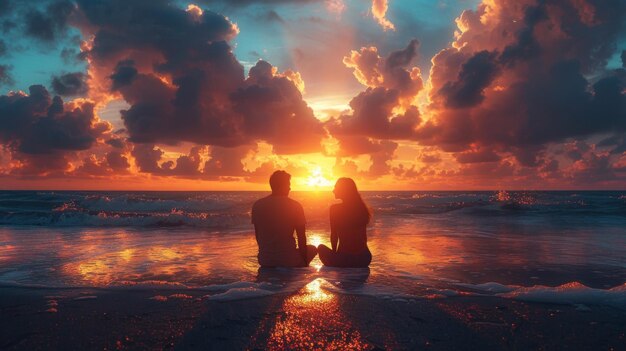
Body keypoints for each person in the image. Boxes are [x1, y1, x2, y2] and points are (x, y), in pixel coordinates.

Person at [251, 170, 317, 267]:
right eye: (288, 185)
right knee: (312, 249)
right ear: (283, 186)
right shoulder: (295, 205)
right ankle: (299, 266)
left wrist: (267, 254)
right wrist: (304, 262)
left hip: (265, 261)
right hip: (288, 260)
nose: (290, 188)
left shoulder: (258, 205)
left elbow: (258, 236)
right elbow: (301, 238)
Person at [318, 178, 372, 267]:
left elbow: (334, 235)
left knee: (320, 248)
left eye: (336, 188)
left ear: (343, 190)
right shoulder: (361, 208)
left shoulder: (335, 209)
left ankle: (337, 262)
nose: (333, 190)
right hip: (364, 258)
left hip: (345, 259)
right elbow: (363, 237)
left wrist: (335, 255)